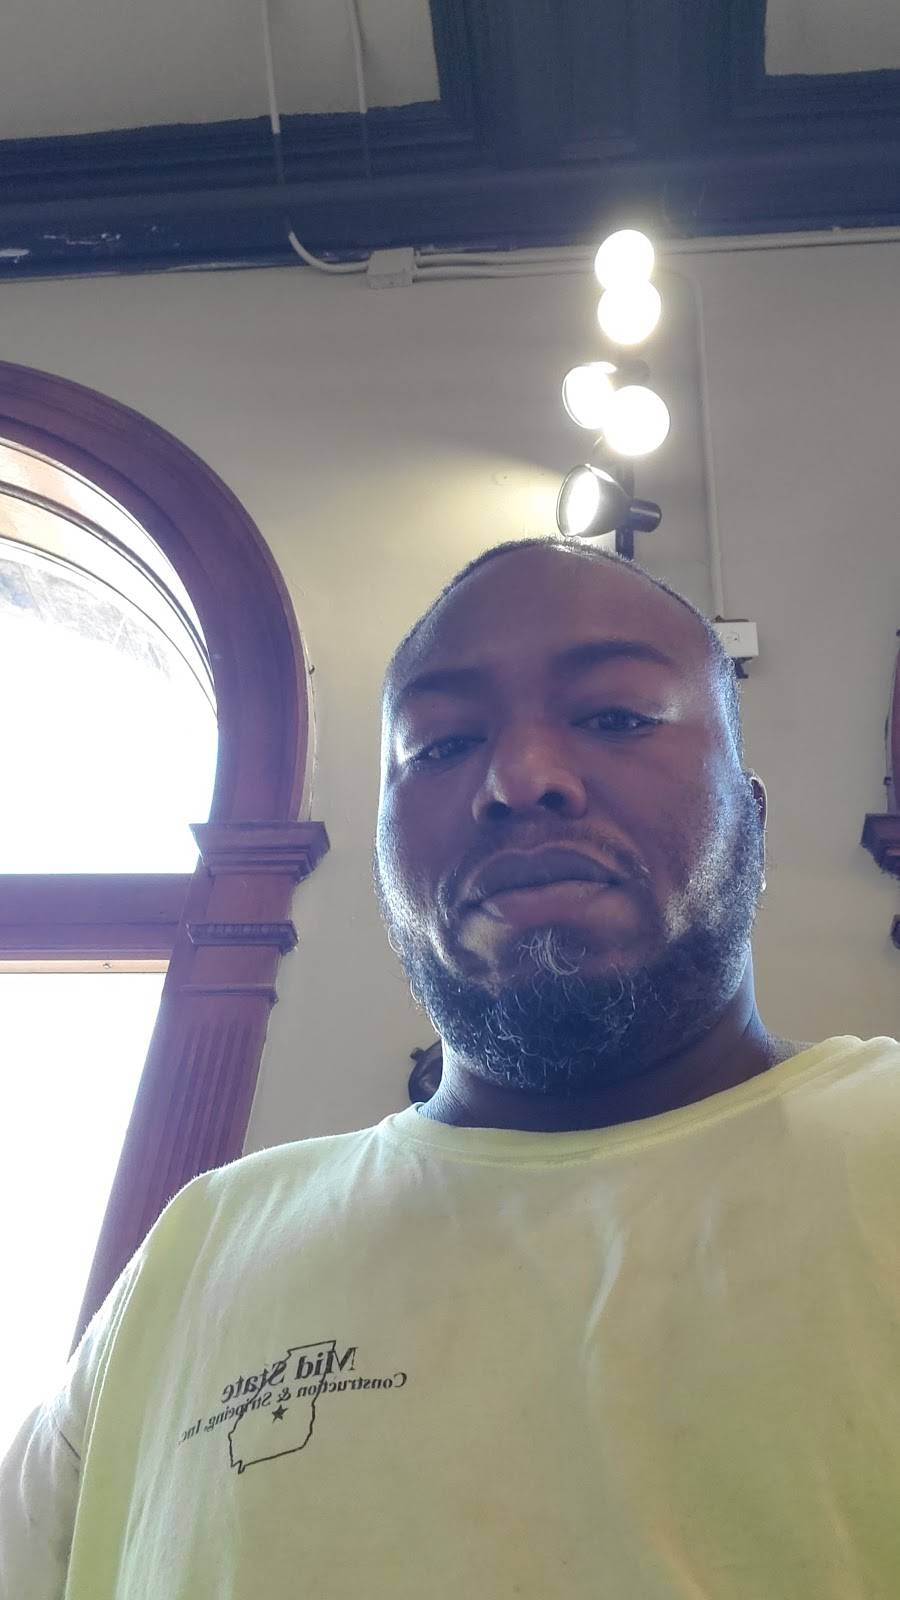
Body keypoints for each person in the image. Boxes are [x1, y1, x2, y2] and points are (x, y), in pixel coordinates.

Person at [2, 535, 898, 1598]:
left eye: (616, 717)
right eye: (440, 744)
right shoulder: (200, 1247)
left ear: (752, 815)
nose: (521, 779)